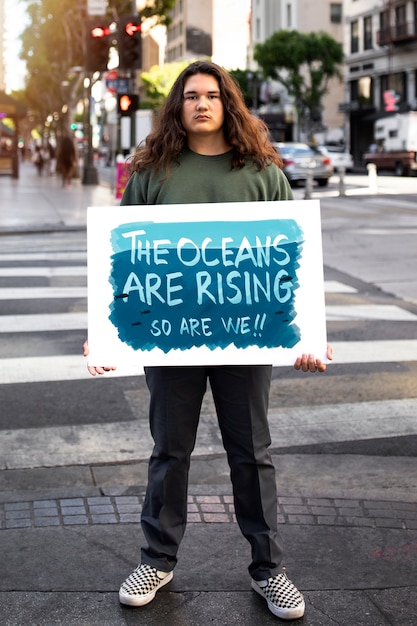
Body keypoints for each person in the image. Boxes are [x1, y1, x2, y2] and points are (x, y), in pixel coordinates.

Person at [83, 61, 333, 621]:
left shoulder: (263, 171)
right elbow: (123, 259)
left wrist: (310, 335)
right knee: (170, 451)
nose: (201, 104)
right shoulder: (152, 172)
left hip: (246, 343)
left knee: (252, 455)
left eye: (213, 96)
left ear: (228, 105)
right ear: (177, 105)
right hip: (173, 342)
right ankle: (158, 559)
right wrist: (102, 334)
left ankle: (269, 569)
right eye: (191, 95)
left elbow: (291, 262)